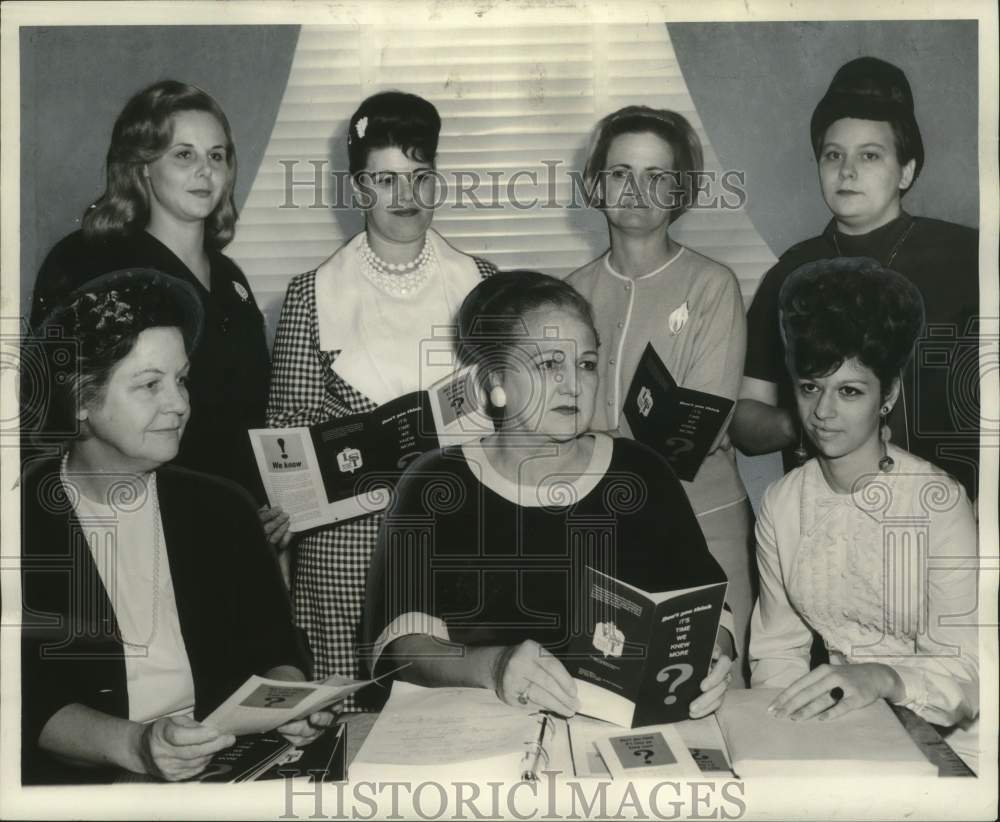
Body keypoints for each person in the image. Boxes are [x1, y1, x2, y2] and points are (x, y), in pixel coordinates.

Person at [363, 271, 734, 719]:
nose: (574, 385)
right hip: (477, 731)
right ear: (495, 380)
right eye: (548, 365)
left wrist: (712, 656)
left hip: (618, 733)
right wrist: (494, 667)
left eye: (587, 364)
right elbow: (400, 647)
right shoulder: (434, 482)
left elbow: (704, 610)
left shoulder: (642, 471)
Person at [20, 269, 330, 785]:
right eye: (149, 385)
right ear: (79, 400)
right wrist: (138, 746)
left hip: (224, 769)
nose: (180, 404)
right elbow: (23, 698)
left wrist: (287, 704)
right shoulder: (21, 523)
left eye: (181, 379)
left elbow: (276, 652)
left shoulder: (223, 508)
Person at [267, 91, 497, 706]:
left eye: (421, 178)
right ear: (358, 187)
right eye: (386, 179)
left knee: (455, 712)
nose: (406, 197)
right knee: (352, 720)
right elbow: (286, 442)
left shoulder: (484, 284)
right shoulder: (310, 295)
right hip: (346, 554)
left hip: (455, 534)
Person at [749, 257, 979, 771]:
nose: (823, 412)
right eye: (810, 386)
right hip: (846, 729)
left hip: (961, 739)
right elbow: (778, 651)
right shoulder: (783, 504)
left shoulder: (938, 504)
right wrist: (784, 737)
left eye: (849, 390)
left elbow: (966, 674)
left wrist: (881, 677)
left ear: (888, 394)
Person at [732, 56, 980, 501]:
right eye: (833, 155)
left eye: (870, 155)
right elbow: (745, 419)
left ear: (906, 170)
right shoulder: (792, 271)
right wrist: (806, 420)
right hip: (827, 513)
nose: (847, 171)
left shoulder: (969, 257)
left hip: (953, 511)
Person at [567, 106, 754, 677]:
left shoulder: (711, 285)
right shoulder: (571, 294)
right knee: (612, 693)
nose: (637, 190)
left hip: (704, 522)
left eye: (657, 176)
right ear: (597, 185)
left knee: (702, 688)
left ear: (682, 190)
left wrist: (595, 434)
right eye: (621, 173)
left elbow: (693, 434)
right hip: (602, 526)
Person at [29, 80, 274, 512]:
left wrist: (264, 506)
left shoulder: (231, 278)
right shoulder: (93, 261)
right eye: (184, 155)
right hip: (137, 508)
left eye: (217, 155)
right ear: (142, 166)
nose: (206, 171)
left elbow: (250, 411)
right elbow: (53, 403)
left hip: (235, 513)